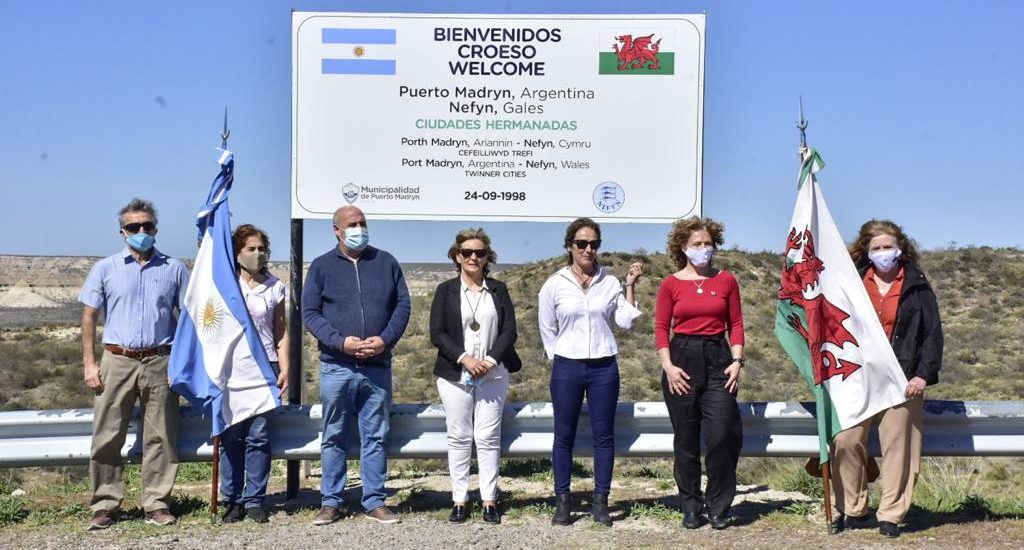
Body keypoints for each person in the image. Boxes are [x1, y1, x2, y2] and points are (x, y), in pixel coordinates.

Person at [80, 198, 190, 531]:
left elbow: (188, 318)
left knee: (161, 436)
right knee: (107, 435)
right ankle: (105, 505)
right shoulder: (105, 268)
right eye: (133, 227)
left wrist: (183, 364)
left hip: (161, 360)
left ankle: (156, 503)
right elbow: (89, 315)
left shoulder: (174, 269)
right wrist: (89, 364)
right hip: (116, 359)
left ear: (155, 228)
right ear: (122, 233)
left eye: (147, 226)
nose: (141, 232)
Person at [830, 219, 943, 538]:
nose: (883, 253)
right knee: (846, 440)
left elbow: (932, 334)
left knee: (899, 447)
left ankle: (891, 514)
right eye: (876, 247)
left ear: (900, 247)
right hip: (855, 377)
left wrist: (923, 374)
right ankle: (853, 509)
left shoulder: (917, 284)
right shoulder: (850, 282)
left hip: (903, 378)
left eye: (888, 247)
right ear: (866, 250)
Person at [302, 205, 411, 525]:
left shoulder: (386, 261)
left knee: (376, 435)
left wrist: (385, 339)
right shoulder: (322, 266)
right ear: (337, 230)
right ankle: (331, 501)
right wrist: (340, 342)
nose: (359, 228)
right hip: (337, 366)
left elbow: (402, 305)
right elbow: (310, 313)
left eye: (363, 222)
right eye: (352, 224)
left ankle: (375, 500)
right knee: (333, 434)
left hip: (377, 366)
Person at [538, 217, 643, 527]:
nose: (588, 249)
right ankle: (563, 503)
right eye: (581, 243)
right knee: (563, 436)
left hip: (603, 367)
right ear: (570, 245)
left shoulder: (609, 282)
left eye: (593, 244)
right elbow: (546, 328)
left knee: (603, 436)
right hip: (567, 366)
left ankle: (601, 502)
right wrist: (557, 358)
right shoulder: (554, 283)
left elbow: (626, 321)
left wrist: (630, 286)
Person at [654, 216, 745, 530]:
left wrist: (737, 361)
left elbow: (736, 325)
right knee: (686, 439)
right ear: (683, 247)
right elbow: (662, 328)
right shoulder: (671, 284)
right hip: (682, 359)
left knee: (722, 435)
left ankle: (718, 505)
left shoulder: (727, 280)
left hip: (718, 357)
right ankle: (691, 505)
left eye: (708, 244)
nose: (704, 249)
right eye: (697, 244)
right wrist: (668, 367)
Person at [429, 228, 522, 524]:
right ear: (457, 256)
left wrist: (491, 359)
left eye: (479, 253)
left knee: (488, 436)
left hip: (493, 374)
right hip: (455, 373)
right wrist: (465, 358)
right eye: (467, 252)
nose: (473, 257)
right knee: (458, 436)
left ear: (487, 257)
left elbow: (509, 330)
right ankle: (459, 499)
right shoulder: (445, 290)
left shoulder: (498, 289)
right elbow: (437, 332)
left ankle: (489, 500)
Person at [219, 224, 290, 524]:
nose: (257, 254)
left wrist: (285, 366)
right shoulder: (223, 284)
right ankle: (232, 499)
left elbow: (280, 329)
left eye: (261, 249)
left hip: (264, 368)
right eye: (251, 249)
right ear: (237, 252)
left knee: (259, 437)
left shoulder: (274, 286)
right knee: (231, 437)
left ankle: (255, 499)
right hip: (231, 369)